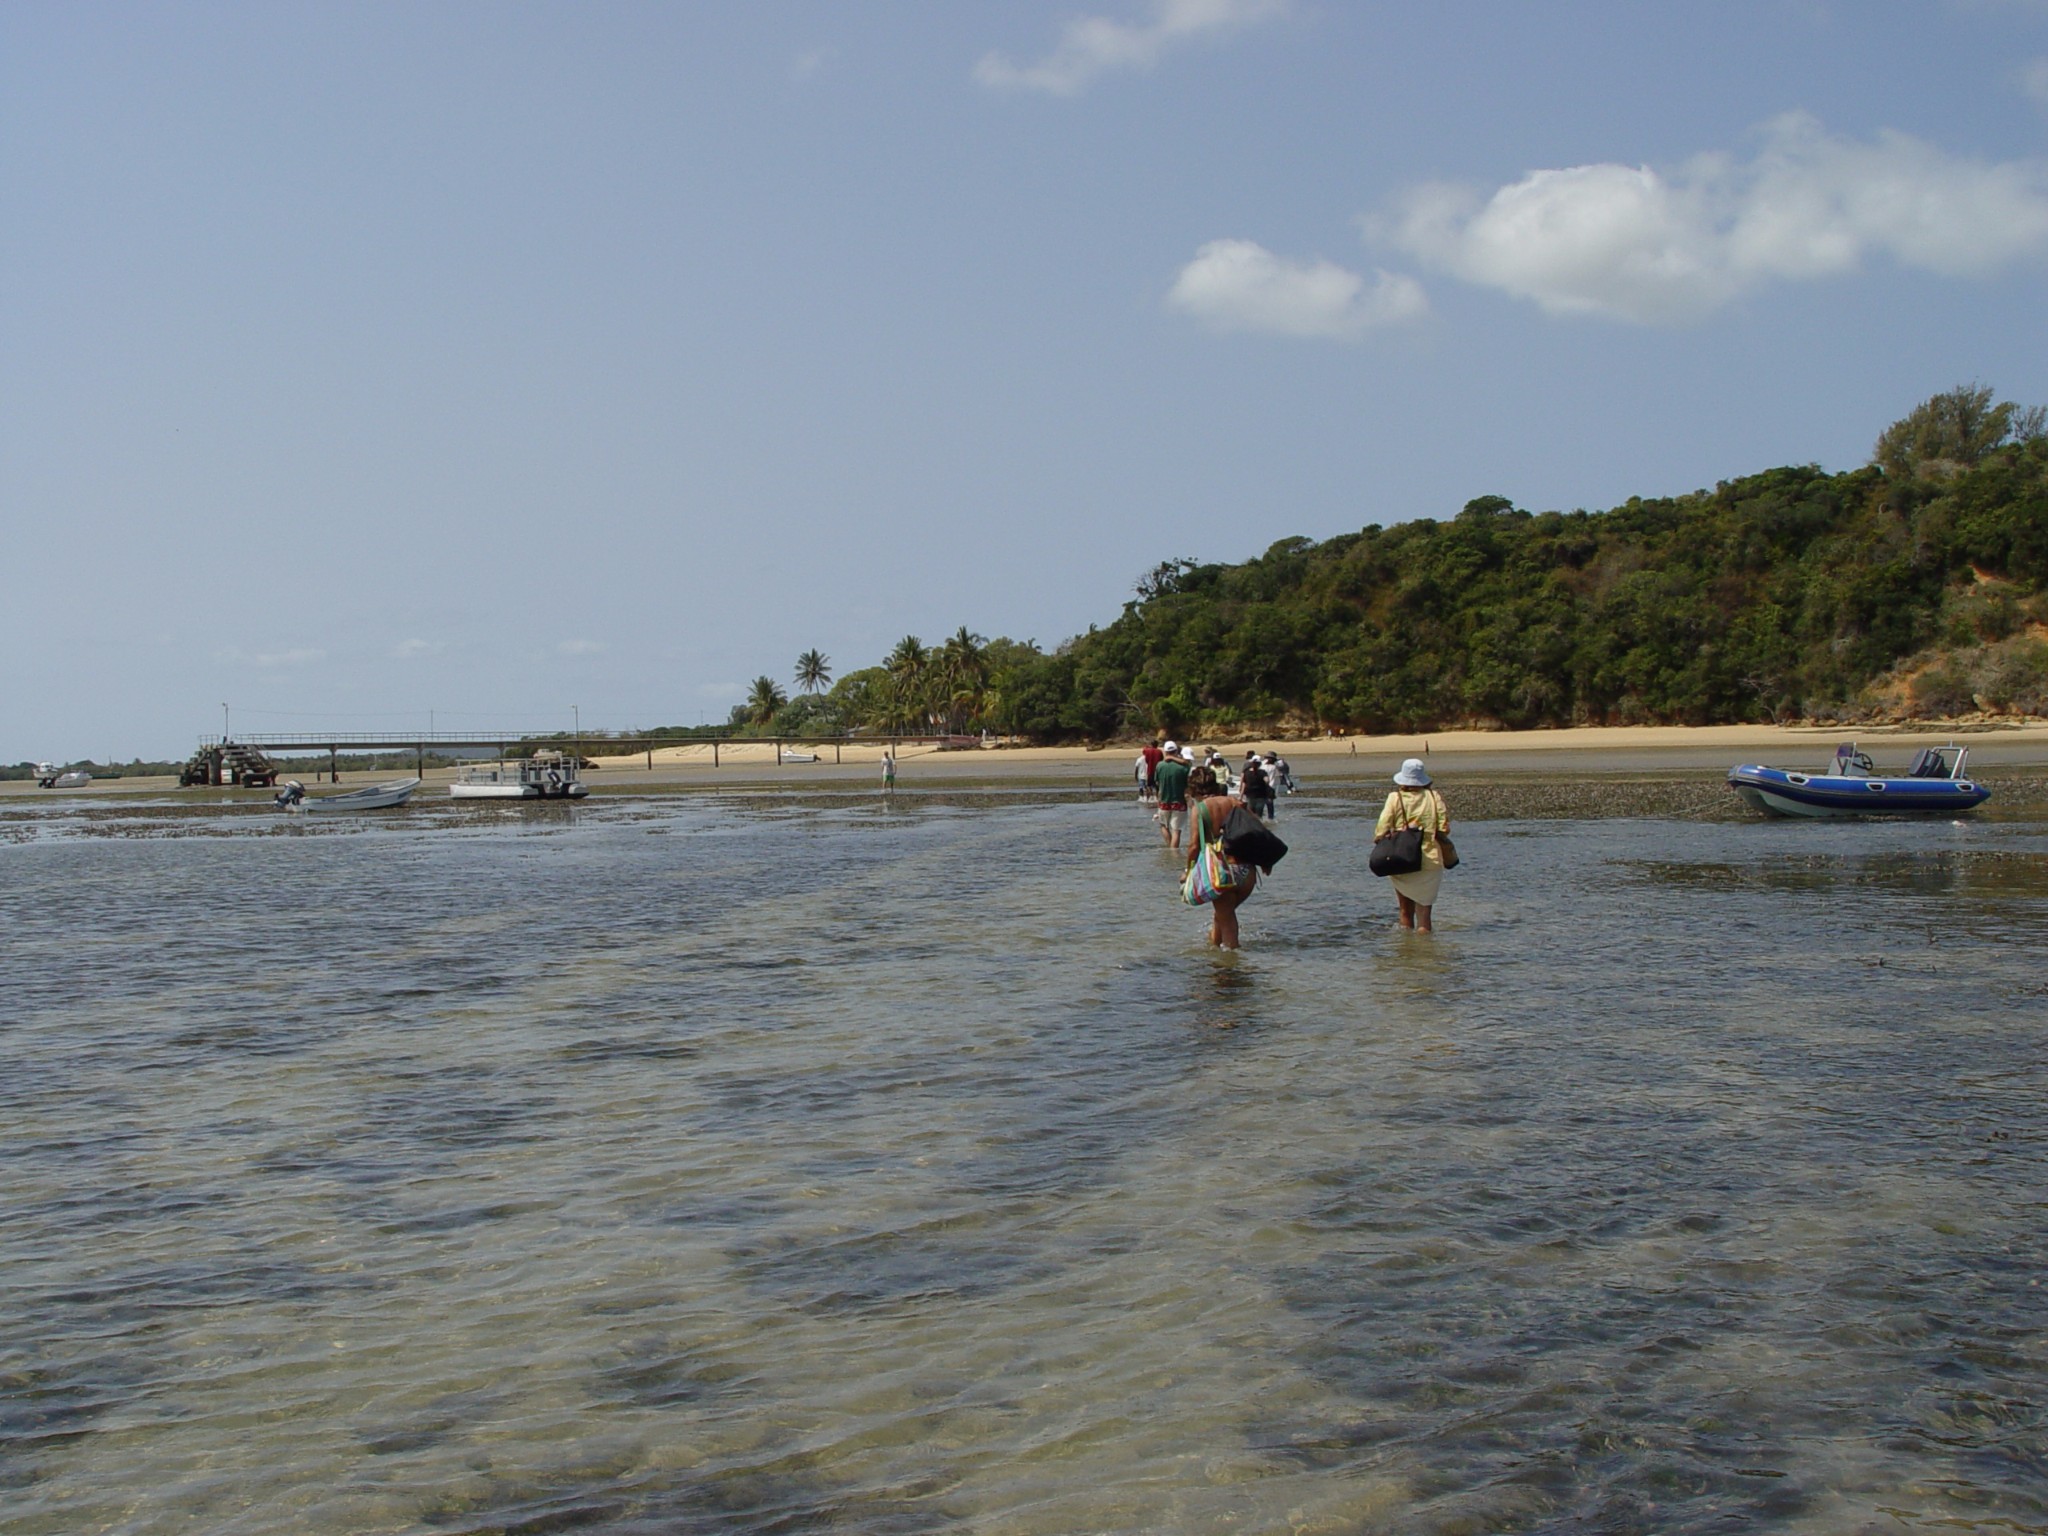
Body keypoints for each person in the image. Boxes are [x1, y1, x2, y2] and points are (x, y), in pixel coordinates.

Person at [1184, 765, 1256, 949]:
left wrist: (1189, 870)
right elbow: (1257, 826)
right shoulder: (1234, 802)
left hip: (1222, 872)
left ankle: (1231, 967)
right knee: (1222, 914)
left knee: (1227, 922)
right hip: (1247, 871)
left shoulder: (1199, 809)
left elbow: (1194, 846)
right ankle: (1214, 951)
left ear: (1193, 790)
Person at [1376, 758, 1450, 933]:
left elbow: (1381, 828)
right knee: (1424, 917)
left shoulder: (1395, 798)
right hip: (1430, 861)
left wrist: (1381, 837)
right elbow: (1444, 829)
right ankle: (1425, 955)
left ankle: (1406, 954)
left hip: (1401, 859)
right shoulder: (1434, 797)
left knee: (1405, 912)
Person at [1153, 741, 1191, 850]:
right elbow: (1187, 764)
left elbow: (1157, 784)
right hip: (1179, 801)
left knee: (1163, 825)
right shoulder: (1183, 767)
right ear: (1176, 751)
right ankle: (1174, 852)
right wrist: (1174, 759)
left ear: (1165, 751)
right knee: (1176, 830)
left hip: (1164, 801)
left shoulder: (1160, 765)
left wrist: (1158, 800)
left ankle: (1171, 850)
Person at [1241, 753, 1274, 820]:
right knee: (1259, 813)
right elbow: (1267, 781)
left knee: (1251, 813)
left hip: (1250, 795)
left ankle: (1252, 826)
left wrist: (1241, 796)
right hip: (1261, 795)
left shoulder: (1246, 772)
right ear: (1259, 764)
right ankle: (1260, 826)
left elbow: (1244, 784)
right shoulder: (1262, 772)